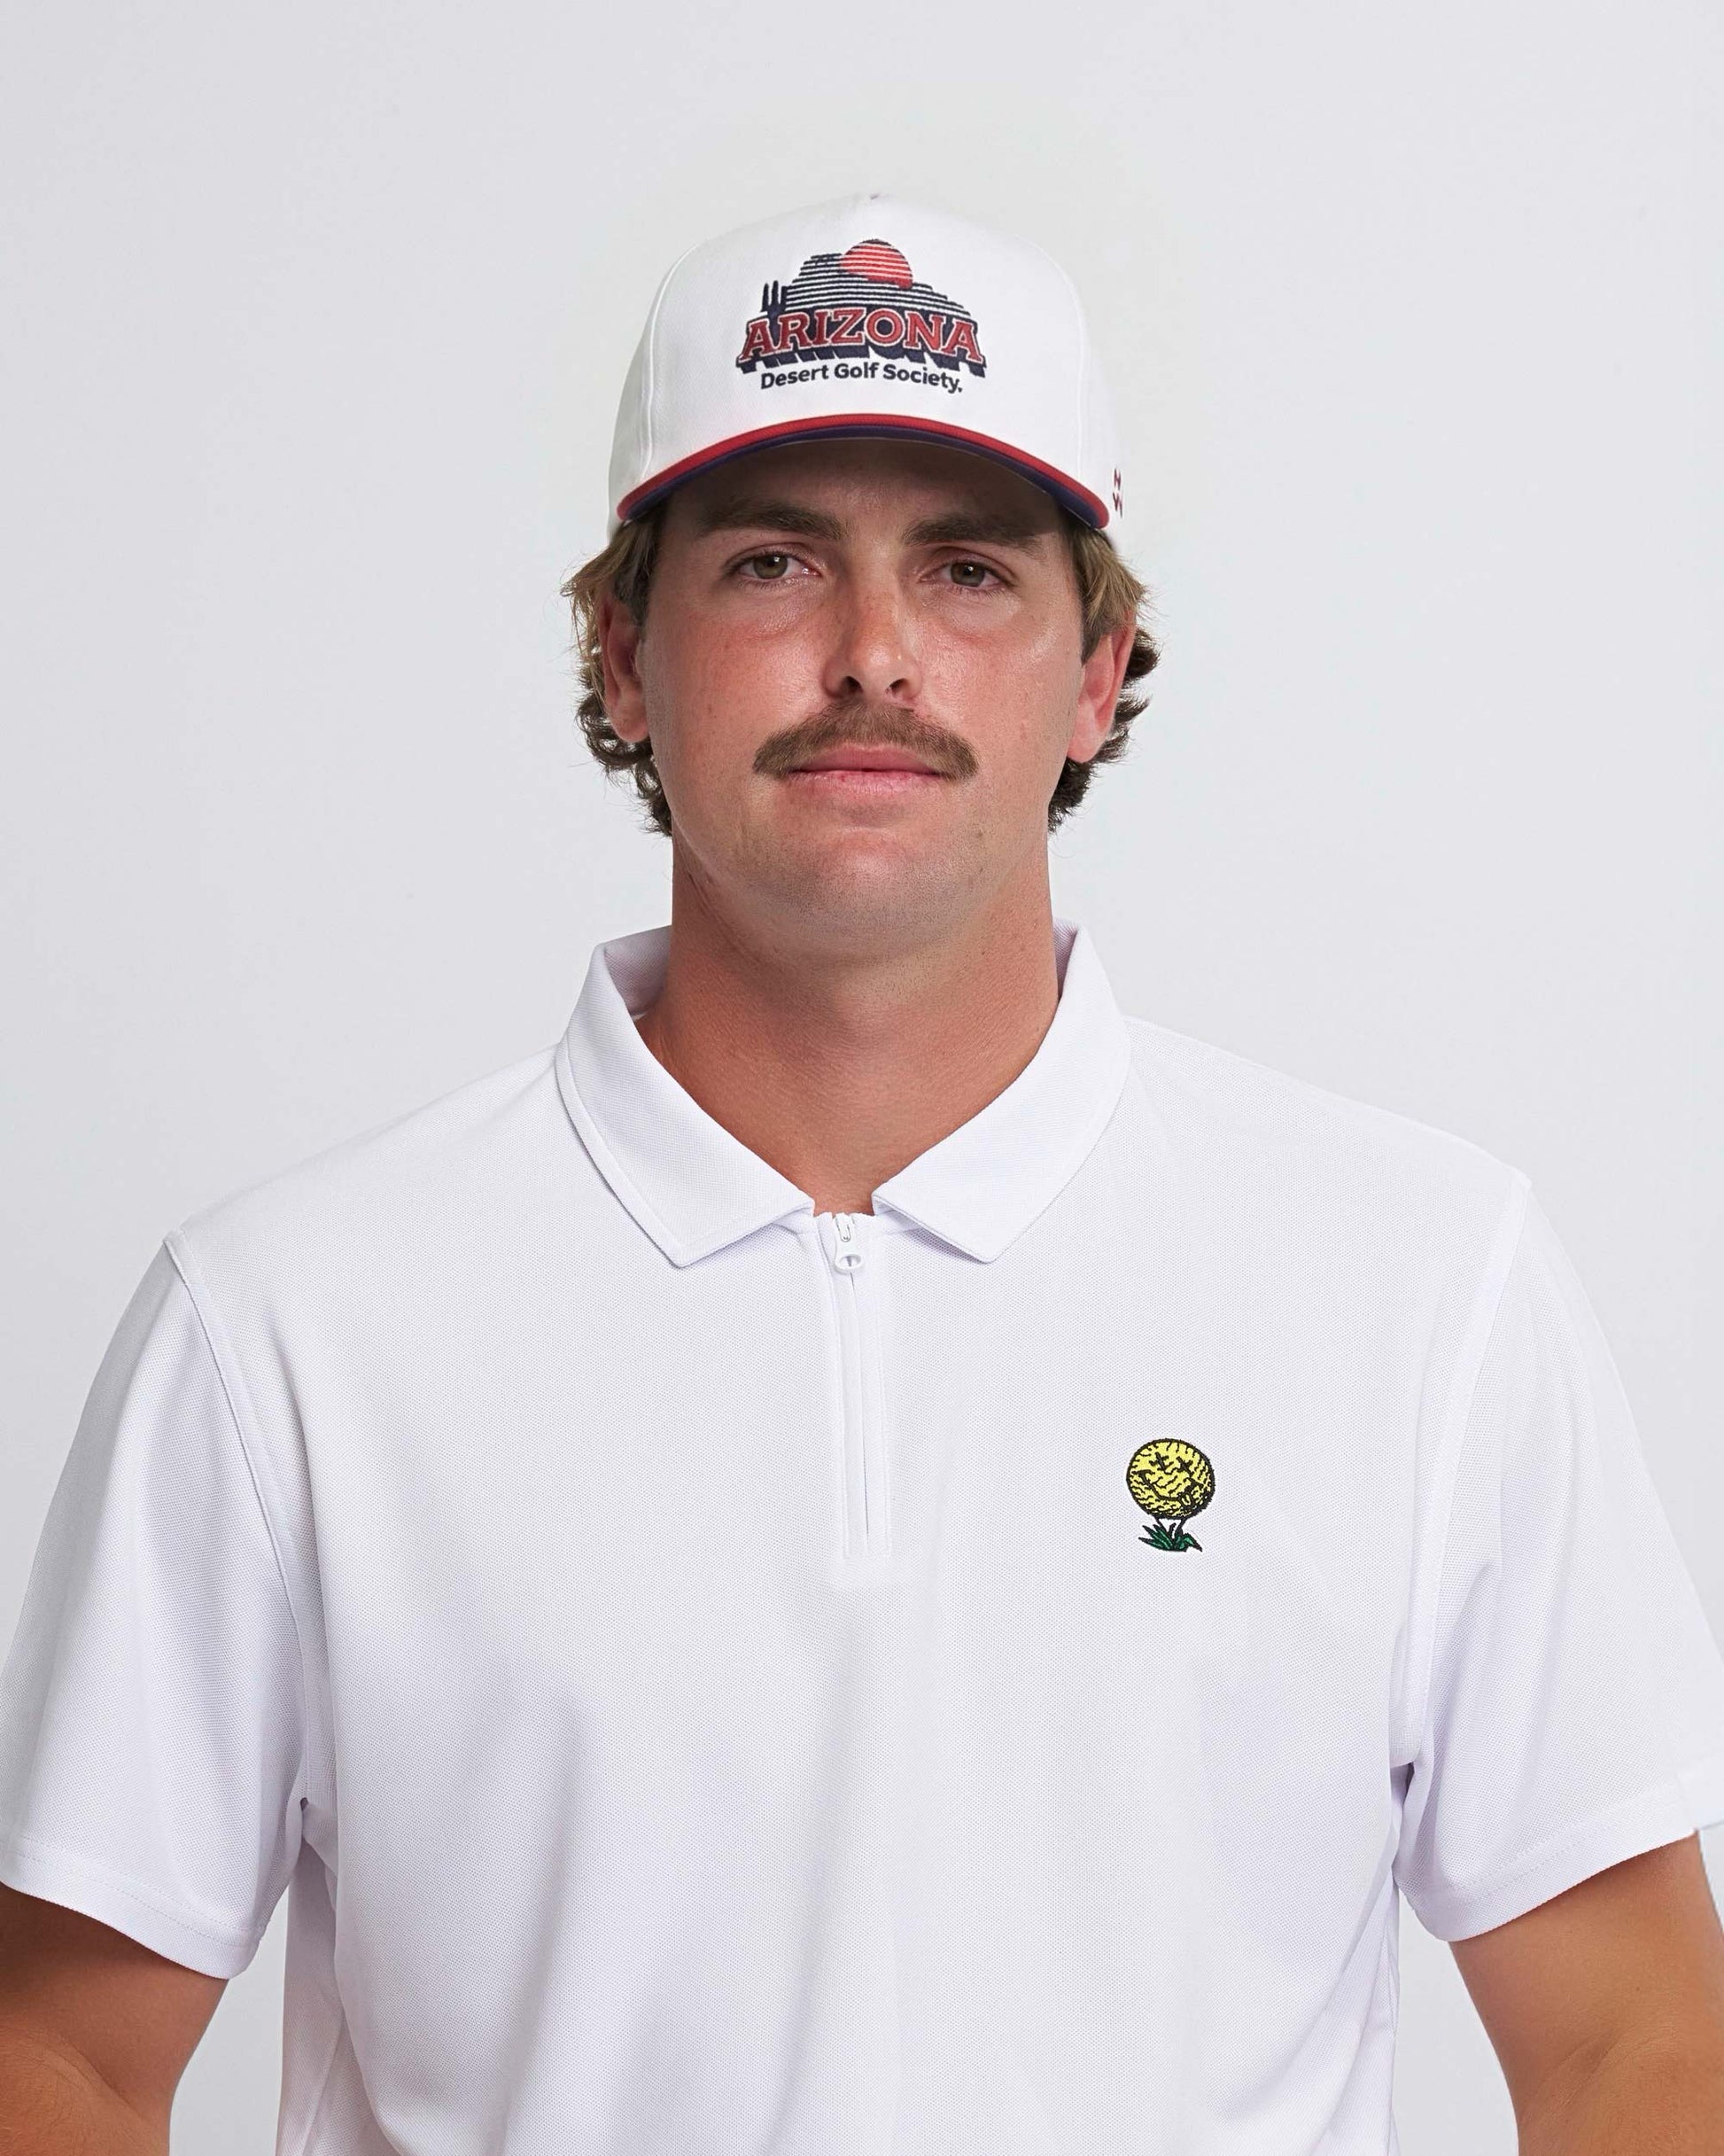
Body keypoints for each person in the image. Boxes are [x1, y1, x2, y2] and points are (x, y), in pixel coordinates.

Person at [2, 191, 1722, 2154]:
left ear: (1098, 669)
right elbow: (58, 2050)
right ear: (623, 654)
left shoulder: (1420, 1282)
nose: (873, 653)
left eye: (972, 571)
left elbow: (1632, 2045)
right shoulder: (289, 1323)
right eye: (767, 563)